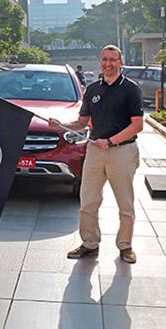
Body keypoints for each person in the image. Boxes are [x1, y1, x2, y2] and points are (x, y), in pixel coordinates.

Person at [49, 45, 144, 263]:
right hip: (94, 151)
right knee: (88, 200)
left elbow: (137, 125)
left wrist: (110, 141)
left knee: (125, 203)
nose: (108, 63)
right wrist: (61, 124)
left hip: (122, 151)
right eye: (104, 59)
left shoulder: (130, 89)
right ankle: (89, 244)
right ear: (100, 61)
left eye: (113, 59)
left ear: (120, 61)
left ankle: (125, 246)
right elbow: (82, 122)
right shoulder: (92, 90)